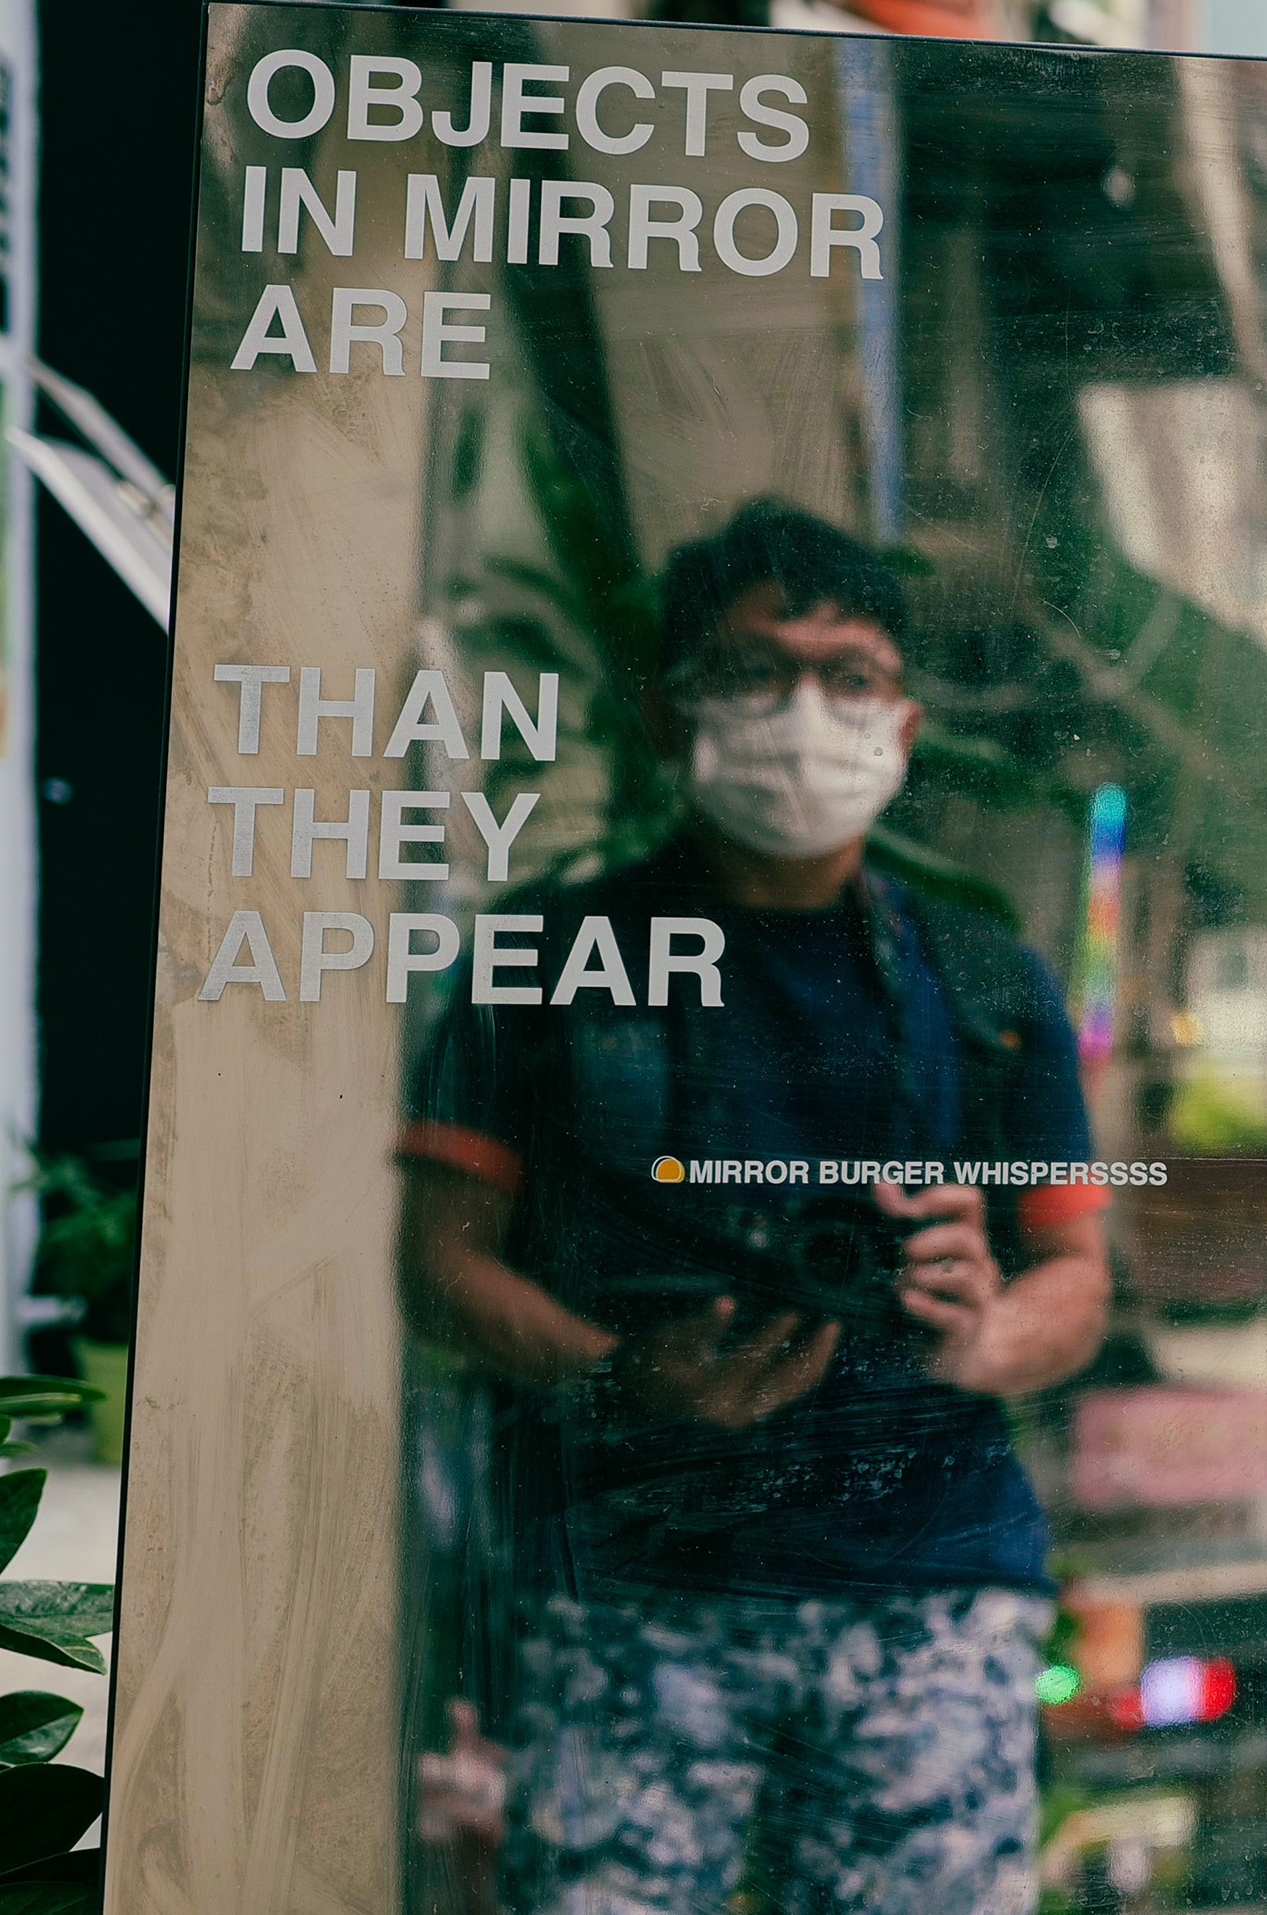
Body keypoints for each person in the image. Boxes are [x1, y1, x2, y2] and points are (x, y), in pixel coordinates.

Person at [397, 500, 1112, 1915]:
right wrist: (618, 1372)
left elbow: (1076, 1273)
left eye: (850, 673)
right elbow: (433, 1263)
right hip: (628, 1583)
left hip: (933, 1590)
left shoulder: (986, 982)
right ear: (667, 714)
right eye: (753, 668)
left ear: (903, 726)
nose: (805, 708)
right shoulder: (547, 960)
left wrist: (984, 1336)